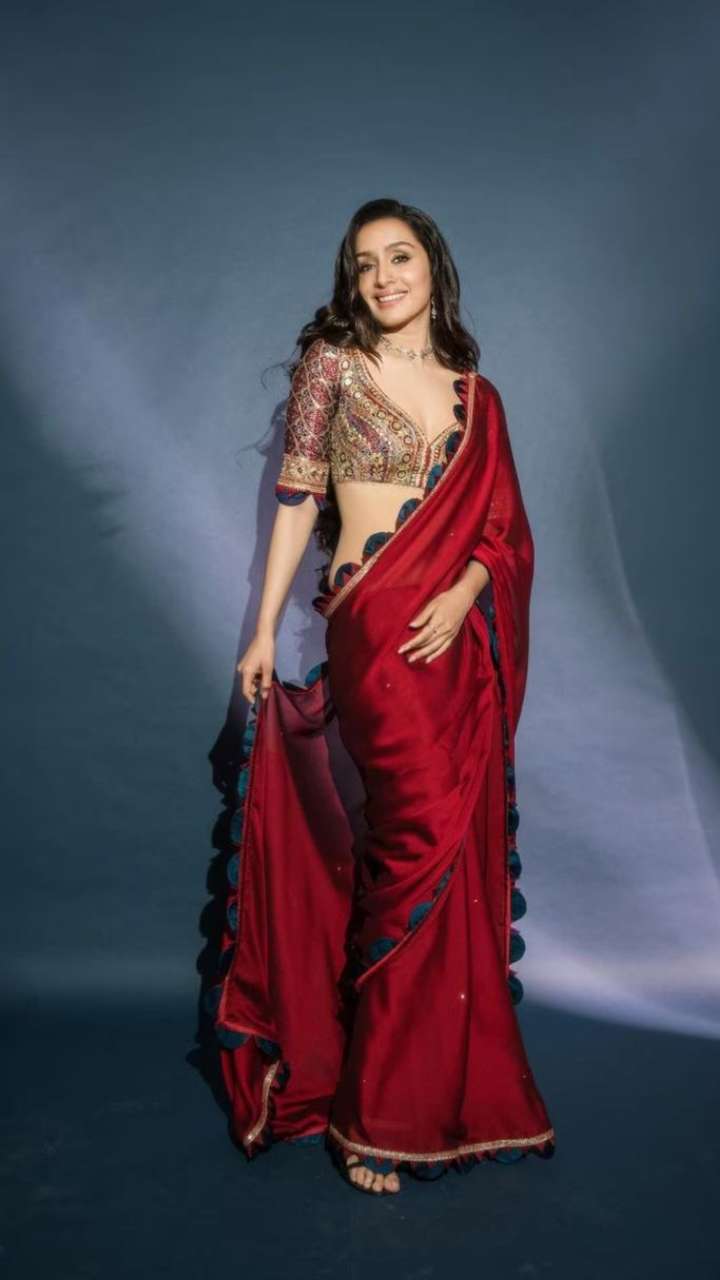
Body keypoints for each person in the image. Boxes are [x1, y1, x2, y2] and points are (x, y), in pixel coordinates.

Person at [208, 197, 556, 1196]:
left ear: (433, 267)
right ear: (351, 282)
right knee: (412, 847)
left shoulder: (478, 397)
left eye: (399, 257)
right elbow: (298, 500)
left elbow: (504, 532)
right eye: (364, 264)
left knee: (450, 851)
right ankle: (373, 1117)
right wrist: (264, 629)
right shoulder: (333, 366)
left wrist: (465, 591)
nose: (382, 277)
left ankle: (434, 1094)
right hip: (376, 631)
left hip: (453, 636)